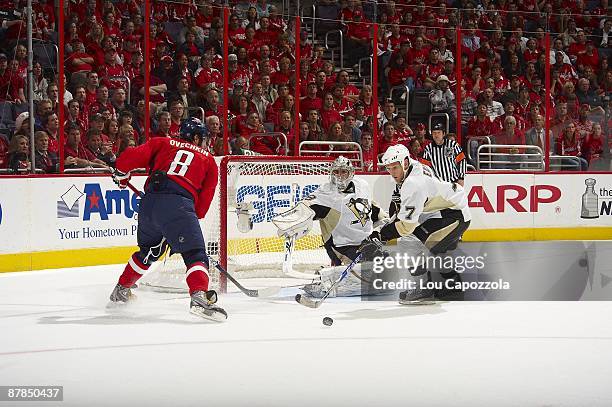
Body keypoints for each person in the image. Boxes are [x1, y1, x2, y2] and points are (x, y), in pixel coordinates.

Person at [109, 117, 226, 321]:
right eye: (204, 139)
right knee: (195, 254)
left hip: (149, 204)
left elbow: (127, 159)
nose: (206, 143)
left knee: (149, 252)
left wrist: (121, 173)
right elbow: (203, 204)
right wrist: (183, 224)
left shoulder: (162, 142)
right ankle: (198, 296)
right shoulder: (208, 159)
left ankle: (121, 289)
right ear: (197, 138)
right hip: (179, 206)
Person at [372, 144, 471, 304]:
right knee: (427, 246)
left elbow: (406, 226)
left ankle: (424, 289)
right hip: (450, 211)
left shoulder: (413, 183)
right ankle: (452, 289)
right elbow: (405, 211)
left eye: (395, 167)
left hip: (453, 216)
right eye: (389, 168)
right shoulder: (415, 166)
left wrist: (382, 234)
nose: (392, 173)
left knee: (413, 241)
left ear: (405, 162)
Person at [276, 157, 387, 298]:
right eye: (336, 172)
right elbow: (305, 208)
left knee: (388, 270)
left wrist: (383, 220)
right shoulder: (325, 194)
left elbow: (369, 206)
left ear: (351, 173)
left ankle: (335, 274)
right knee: (371, 275)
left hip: (367, 243)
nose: (339, 176)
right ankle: (327, 277)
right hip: (342, 246)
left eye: (343, 172)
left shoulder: (362, 185)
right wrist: (291, 222)